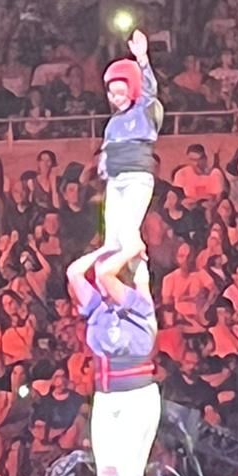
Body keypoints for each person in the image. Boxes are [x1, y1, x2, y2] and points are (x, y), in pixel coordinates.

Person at [67, 241, 162, 476]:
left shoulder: (141, 308)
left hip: (136, 398)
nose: (98, 277)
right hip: (106, 399)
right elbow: (74, 273)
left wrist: (130, 248)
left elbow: (107, 274)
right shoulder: (99, 310)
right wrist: (103, 249)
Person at [98, 29, 160, 287]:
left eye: (121, 92)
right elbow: (106, 147)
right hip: (116, 179)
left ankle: (141, 281)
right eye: (112, 94)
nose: (116, 98)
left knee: (129, 232)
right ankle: (115, 285)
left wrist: (142, 58)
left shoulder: (143, 110)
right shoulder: (113, 123)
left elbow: (150, 90)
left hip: (137, 176)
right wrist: (103, 162)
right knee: (112, 237)